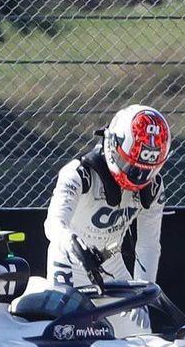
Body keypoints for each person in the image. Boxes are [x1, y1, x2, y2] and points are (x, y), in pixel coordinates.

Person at [44, 104, 169, 290]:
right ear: (113, 144)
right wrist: (74, 244)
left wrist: (145, 292)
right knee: (69, 319)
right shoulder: (78, 175)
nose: (138, 177)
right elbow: (53, 224)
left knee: (141, 318)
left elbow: (148, 245)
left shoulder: (153, 188)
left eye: (147, 170)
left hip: (111, 266)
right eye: (129, 164)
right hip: (68, 264)